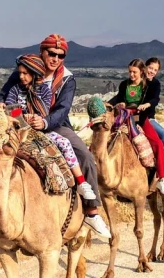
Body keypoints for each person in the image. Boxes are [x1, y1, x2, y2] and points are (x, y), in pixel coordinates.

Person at [0, 34, 111, 239]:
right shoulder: (25, 69)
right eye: (52, 53)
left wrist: (45, 122)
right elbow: (4, 94)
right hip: (20, 123)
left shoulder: (67, 79)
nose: (55, 59)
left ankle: (92, 211)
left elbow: (63, 110)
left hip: (55, 125)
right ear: (42, 52)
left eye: (60, 55)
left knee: (86, 156)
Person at [5, 54, 97, 201]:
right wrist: (22, 117)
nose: (21, 76)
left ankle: (81, 182)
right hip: (18, 131)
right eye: (20, 73)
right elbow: (11, 109)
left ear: (34, 74)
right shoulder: (15, 90)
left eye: (25, 73)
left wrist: (35, 118)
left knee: (65, 143)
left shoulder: (45, 91)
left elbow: (44, 112)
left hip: (40, 130)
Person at [108, 59, 164, 196]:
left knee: (158, 144)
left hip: (140, 120)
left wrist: (147, 105)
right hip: (124, 119)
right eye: (130, 72)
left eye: (134, 72)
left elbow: (155, 99)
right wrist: (110, 104)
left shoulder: (147, 85)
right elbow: (119, 98)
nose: (131, 75)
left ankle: (162, 178)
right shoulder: (124, 84)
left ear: (141, 72)